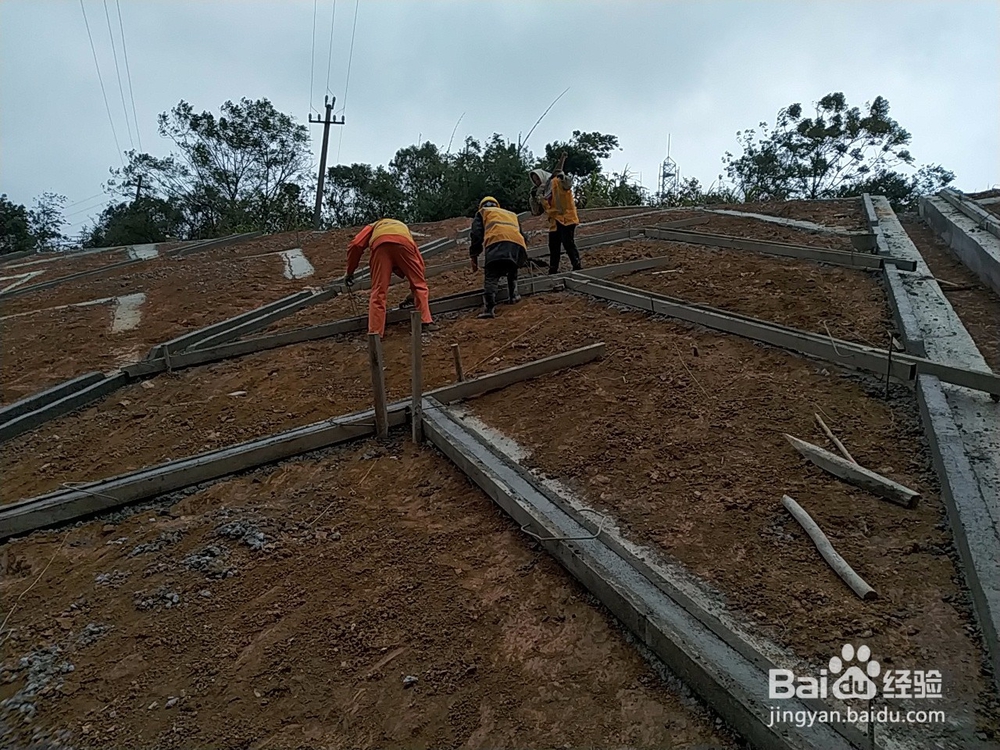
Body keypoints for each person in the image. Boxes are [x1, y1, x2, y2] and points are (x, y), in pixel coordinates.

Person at [343, 218, 434, 336]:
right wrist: (415, 287)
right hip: (404, 243)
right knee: (420, 285)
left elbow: (355, 244)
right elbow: (418, 262)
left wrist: (350, 272)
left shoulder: (373, 226)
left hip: (381, 246)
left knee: (378, 291)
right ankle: (425, 322)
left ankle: (375, 333)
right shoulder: (403, 228)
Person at [469, 196, 529, 319]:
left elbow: (476, 234)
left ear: (481, 206)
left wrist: (474, 253)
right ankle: (513, 296)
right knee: (512, 267)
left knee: (492, 274)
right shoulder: (511, 214)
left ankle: (489, 309)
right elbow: (523, 235)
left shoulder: (483, 213)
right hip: (517, 244)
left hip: (496, 242)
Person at [529, 152, 582, 274]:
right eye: (534, 180)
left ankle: (577, 265)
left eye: (537, 178)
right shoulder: (541, 193)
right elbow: (536, 212)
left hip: (567, 217)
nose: (536, 181)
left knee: (568, 242)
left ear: (542, 176)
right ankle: (553, 269)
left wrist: (562, 176)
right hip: (554, 222)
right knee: (553, 245)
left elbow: (568, 184)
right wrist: (534, 198)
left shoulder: (557, 182)